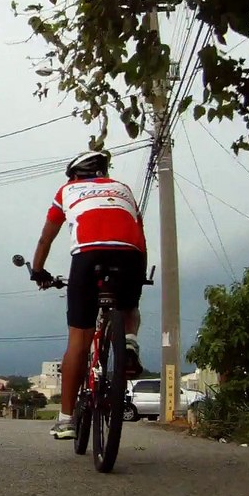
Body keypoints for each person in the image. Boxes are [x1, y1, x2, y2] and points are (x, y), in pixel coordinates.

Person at [30, 149, 147, 440]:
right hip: (130, 255)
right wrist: (138, 276)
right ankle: (129, 342)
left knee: (79, 339)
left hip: (88, 255)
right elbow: (138, 233)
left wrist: (38, 270)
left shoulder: (66, 191)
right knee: (130, 308)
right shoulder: (124, 189)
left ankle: (66, 419)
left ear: (74, 175)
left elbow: (47, 237)